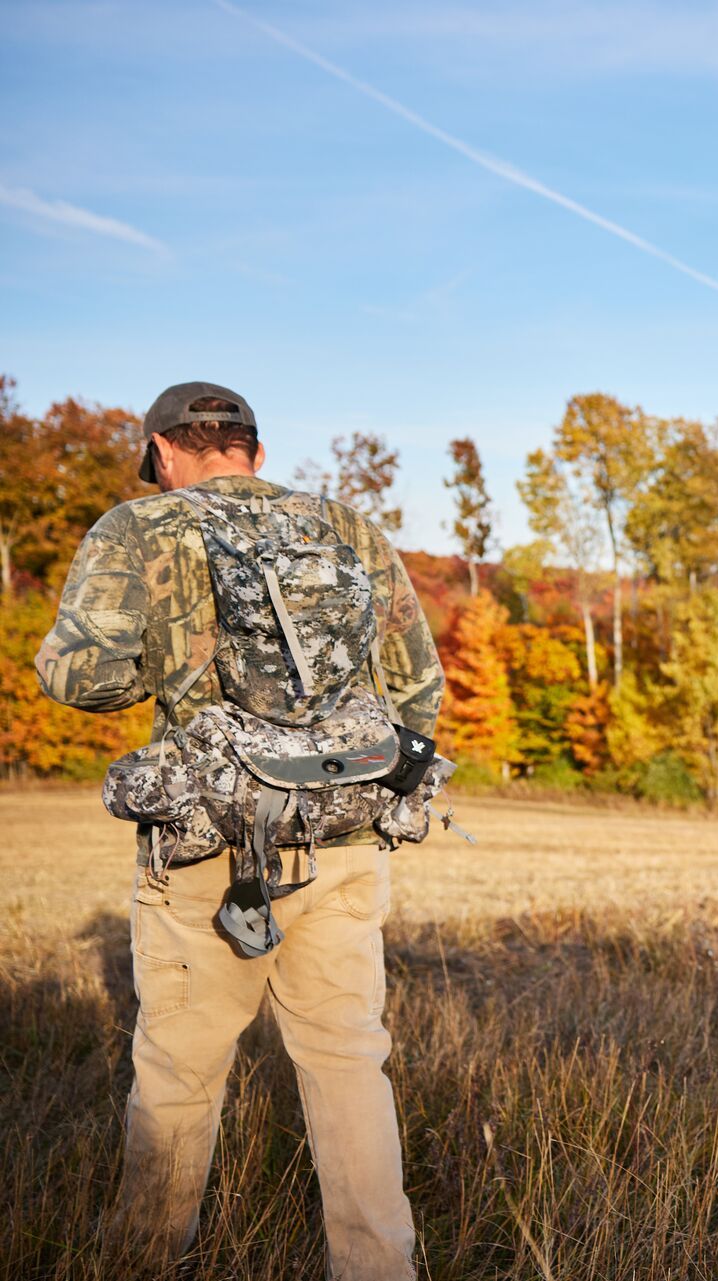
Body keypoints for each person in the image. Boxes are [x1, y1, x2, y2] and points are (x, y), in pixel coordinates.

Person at [36, 382, 442, 1281]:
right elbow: (418, 687)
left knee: (179, 1071)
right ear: (253, 451)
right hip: (338, 838)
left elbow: (79, 678)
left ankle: (140, 1263)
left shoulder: (138, 527)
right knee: (347, 1062)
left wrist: (174, 657)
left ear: (161, 450)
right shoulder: (348, 528)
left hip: (208, 844)